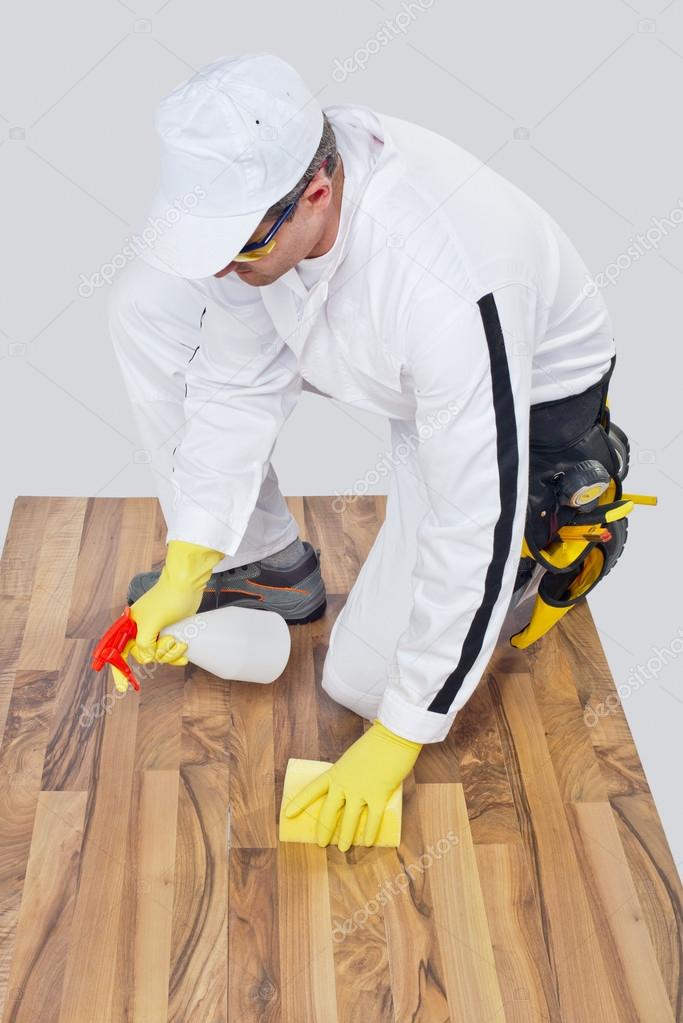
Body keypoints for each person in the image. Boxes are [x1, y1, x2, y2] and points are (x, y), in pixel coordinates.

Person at [107, 52, 618, 853]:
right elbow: (233, 383)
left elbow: (468, 512)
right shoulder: (272, 216)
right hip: (383, 351)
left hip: (517, 404)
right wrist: (188, 562)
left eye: (237, 246)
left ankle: (545, 539)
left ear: (316, 193)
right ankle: (260, 565)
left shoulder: (449, 276)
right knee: (150, 303)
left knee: (365, 685)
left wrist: (402, 733)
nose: (223, 268)